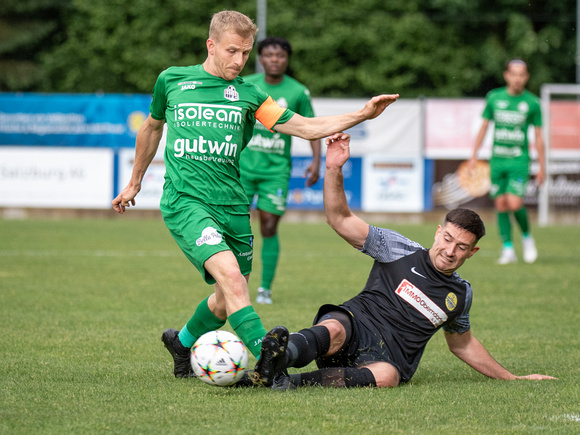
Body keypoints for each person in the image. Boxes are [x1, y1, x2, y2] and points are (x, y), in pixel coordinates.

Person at [112, 10, 399, 378]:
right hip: (186, 201)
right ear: (211, 45)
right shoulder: (173, 81)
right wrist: (135, 181)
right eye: (232, 51)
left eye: (245, 53)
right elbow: (151, 127)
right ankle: (271, 364)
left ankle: (182, 344)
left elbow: (306, 127)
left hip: (232, 204)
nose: (239, 60)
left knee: (226, 297)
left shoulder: (250, 93)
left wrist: (362, 114)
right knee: (232, 279)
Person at [251, 132, 556, 389]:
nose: (450, 251)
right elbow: (340, 219)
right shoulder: (398, 248)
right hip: (355, 327)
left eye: (461, 247)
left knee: (388, 377)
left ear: (472, 252)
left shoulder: (460, 295)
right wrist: (333, 169)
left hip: (386, 361)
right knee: (334, 328)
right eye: (447, 239)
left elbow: (461, 344)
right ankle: (279, 356)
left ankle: (286, 382)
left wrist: (512, 377)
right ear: (438, 233)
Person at [240, 37, 321, 305]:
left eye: (280, 55)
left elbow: (310, 127)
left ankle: (264, 289)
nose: (275, 60)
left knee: (269, 226)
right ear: (260, 59)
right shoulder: (246, 84)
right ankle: (234, 282)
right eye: (269, 55)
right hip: (241, 168)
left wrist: (316, 160)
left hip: (276, 171)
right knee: (235, 224)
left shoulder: (298, 92)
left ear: (287, 59)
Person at [468, 59, 545, 265]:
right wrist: (474, 155)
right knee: (501, 204)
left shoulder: (532, 103)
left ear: (526, 77)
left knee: (515, 202)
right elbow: (484, 127)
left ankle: (527, 238)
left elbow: (538, 137)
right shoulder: (494, 98)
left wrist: (542, 167)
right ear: (507, 75)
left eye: (522, 74)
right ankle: (508, 248)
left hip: (519, 161)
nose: (518, 78)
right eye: (514, 74)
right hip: (497, 161)